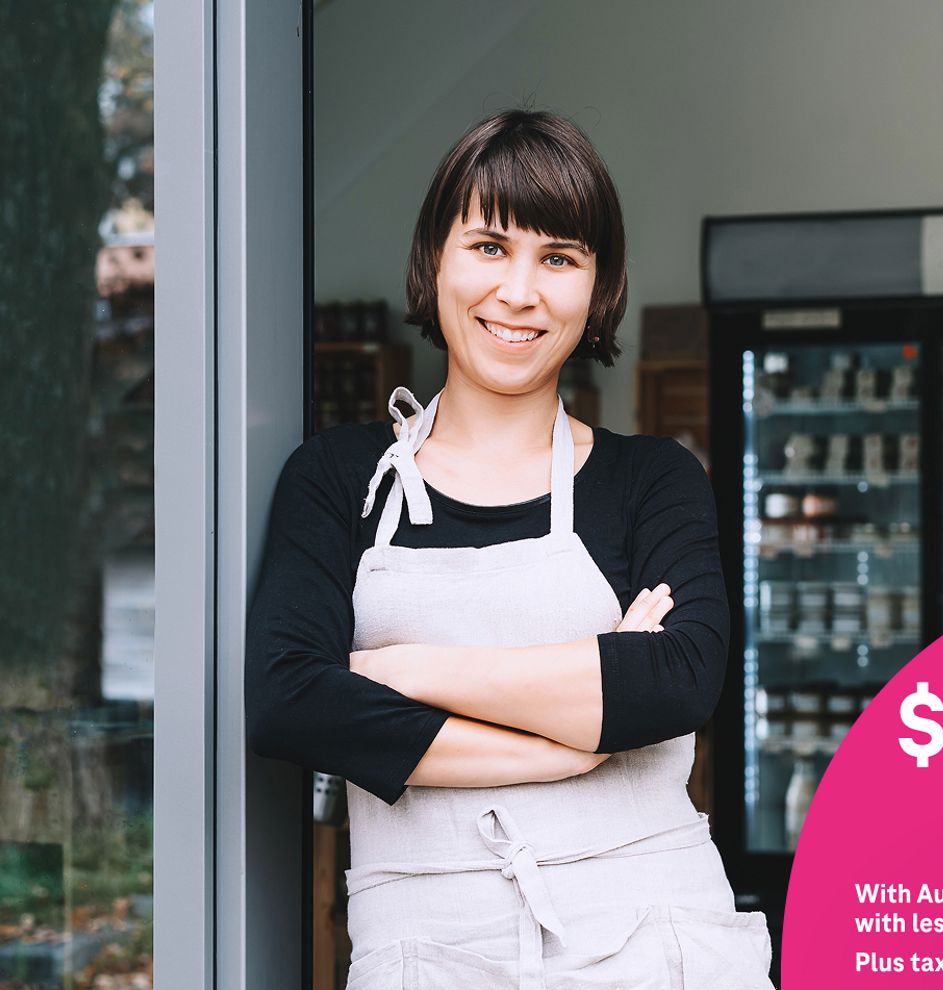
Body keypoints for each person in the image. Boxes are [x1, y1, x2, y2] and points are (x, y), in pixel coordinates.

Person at [245, 108, 775, 989]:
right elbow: (290, 702)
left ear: (599, 290)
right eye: (489, 246)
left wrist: (394, 672)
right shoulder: (340, 481)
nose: (521, 291)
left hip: (658, 942)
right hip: (424, 953)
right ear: (433, 262)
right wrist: (570, 741)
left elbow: (677, 681)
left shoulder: (654, 481)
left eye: (559, 258)